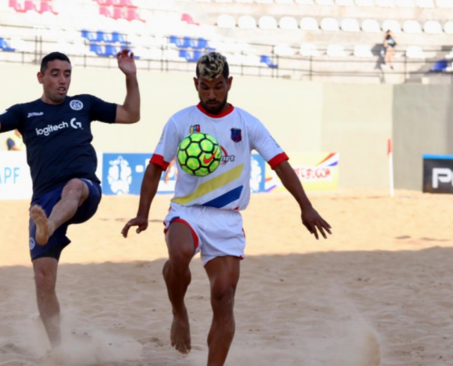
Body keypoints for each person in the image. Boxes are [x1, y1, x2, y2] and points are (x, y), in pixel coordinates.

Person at [121, 52, 331, 366]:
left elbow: (281, 164)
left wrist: (306, 207)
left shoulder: (247, 122)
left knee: (224, 299)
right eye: (205, 87)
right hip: (187, 211)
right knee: (179, 253)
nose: (211, 94)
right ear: (195, 84)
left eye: (218, 86)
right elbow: (154, 168)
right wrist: (142, 212)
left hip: (228, 220)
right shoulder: (180, 121)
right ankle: (179, 313)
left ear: (229, 83)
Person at [0, 50, 140, 347]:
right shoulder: (25, 112)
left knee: (74, 186)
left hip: (84, 190)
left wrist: (131, 77)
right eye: (55, 74)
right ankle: (58, 349)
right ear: (41, 77)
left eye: (67, 74)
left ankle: (47, 227)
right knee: (43, 279)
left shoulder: (84, 104)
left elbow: (131, 114)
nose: (63, 80)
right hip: (44, 201)